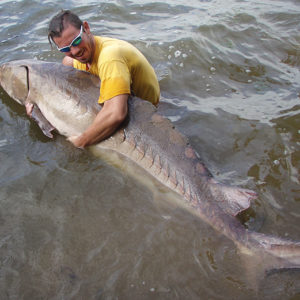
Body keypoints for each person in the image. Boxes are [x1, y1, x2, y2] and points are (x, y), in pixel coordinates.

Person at [42, 10, 160, 148]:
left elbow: (117, 114)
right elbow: (61, 82)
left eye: (77, 41)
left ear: (86, 28)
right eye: (65, 49)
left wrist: (80, 141)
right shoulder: (73, 60)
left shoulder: (110, 57)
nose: (74, 51)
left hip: (148, 115)